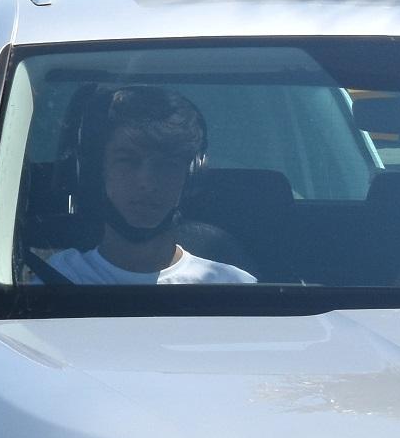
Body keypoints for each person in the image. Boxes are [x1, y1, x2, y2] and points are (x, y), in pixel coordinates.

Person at [35, 86, 256, 287]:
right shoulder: (54, 283)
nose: (148, 183)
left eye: (167, 165)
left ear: (190, 178)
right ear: (96, 172)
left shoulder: (232, 288)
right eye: (128, 161)